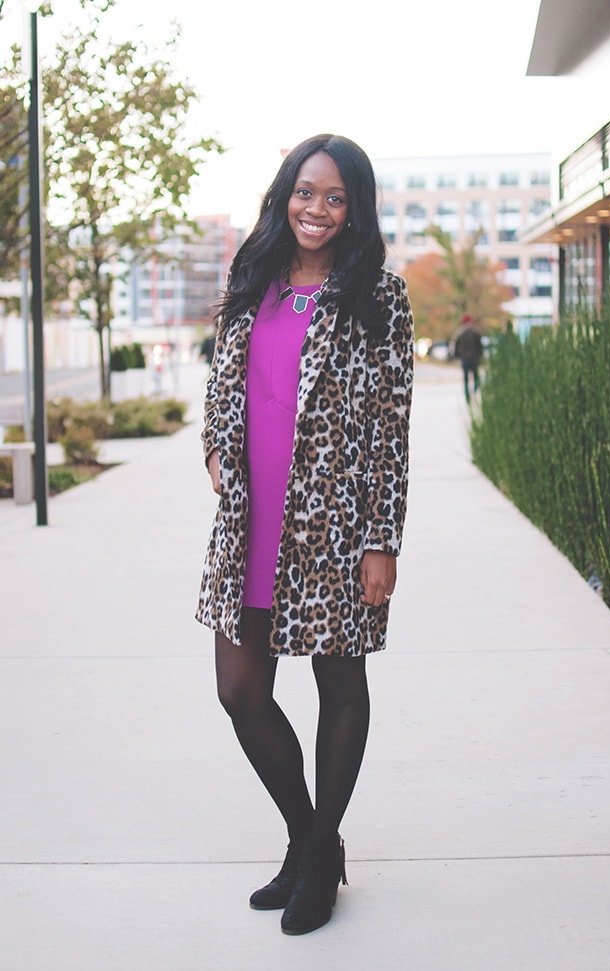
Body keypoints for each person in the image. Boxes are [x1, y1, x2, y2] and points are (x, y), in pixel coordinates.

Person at [196, 134, 414, 936]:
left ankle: (318, 858)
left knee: (339, 683)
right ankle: (311, 838)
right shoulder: (252, 277)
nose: (316, 209)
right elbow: (223, 384)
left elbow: (391, 426)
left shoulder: (378, 296)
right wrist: (216, 449)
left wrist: (382, 538)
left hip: (336, 526)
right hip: (249, 519)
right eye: (305, 191)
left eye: (334, 197)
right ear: (284, 193)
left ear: (354, 210)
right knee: (240, 690)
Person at [453, 312, 483, 403]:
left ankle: (468, 397)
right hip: (474, 359)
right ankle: (473, 393)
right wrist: (480, 356)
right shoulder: (475, 333)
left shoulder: (460, 334)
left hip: (465, 359)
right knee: (476, 378)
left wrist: (458, 356)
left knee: (466, 379)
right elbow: (480, 347)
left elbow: (456, 347)